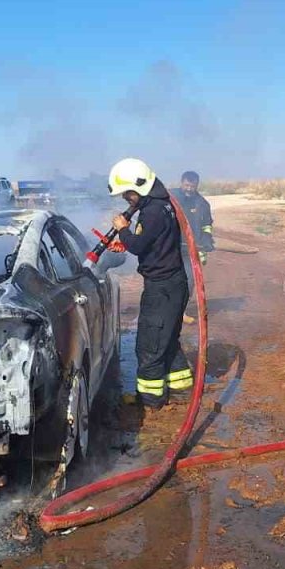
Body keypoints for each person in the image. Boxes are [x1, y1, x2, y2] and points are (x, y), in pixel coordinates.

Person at [108, 158, 193, 409]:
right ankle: (180, 388)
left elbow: (137, 245)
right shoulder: (162, 204)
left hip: (162, 288)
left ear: (140, 187)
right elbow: (154, 242)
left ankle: (149, 400)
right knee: (167, 340)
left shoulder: (153, 212)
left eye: (128, 193)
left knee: (149, 345)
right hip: (173, 284)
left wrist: (124, 230)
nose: (126, 198)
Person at [174, 170, 214, 324]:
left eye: (192, 186)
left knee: (190, 280)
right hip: (171, 247)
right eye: (186, 185)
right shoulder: (171, 198)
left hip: (191, 249)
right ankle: (170, 309)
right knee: (171, 279)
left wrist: (207, 238)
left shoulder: (202, 204)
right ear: (181, 183)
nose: (189, 189)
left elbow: (206, 224)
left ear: (197, 186)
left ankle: (181, 311)